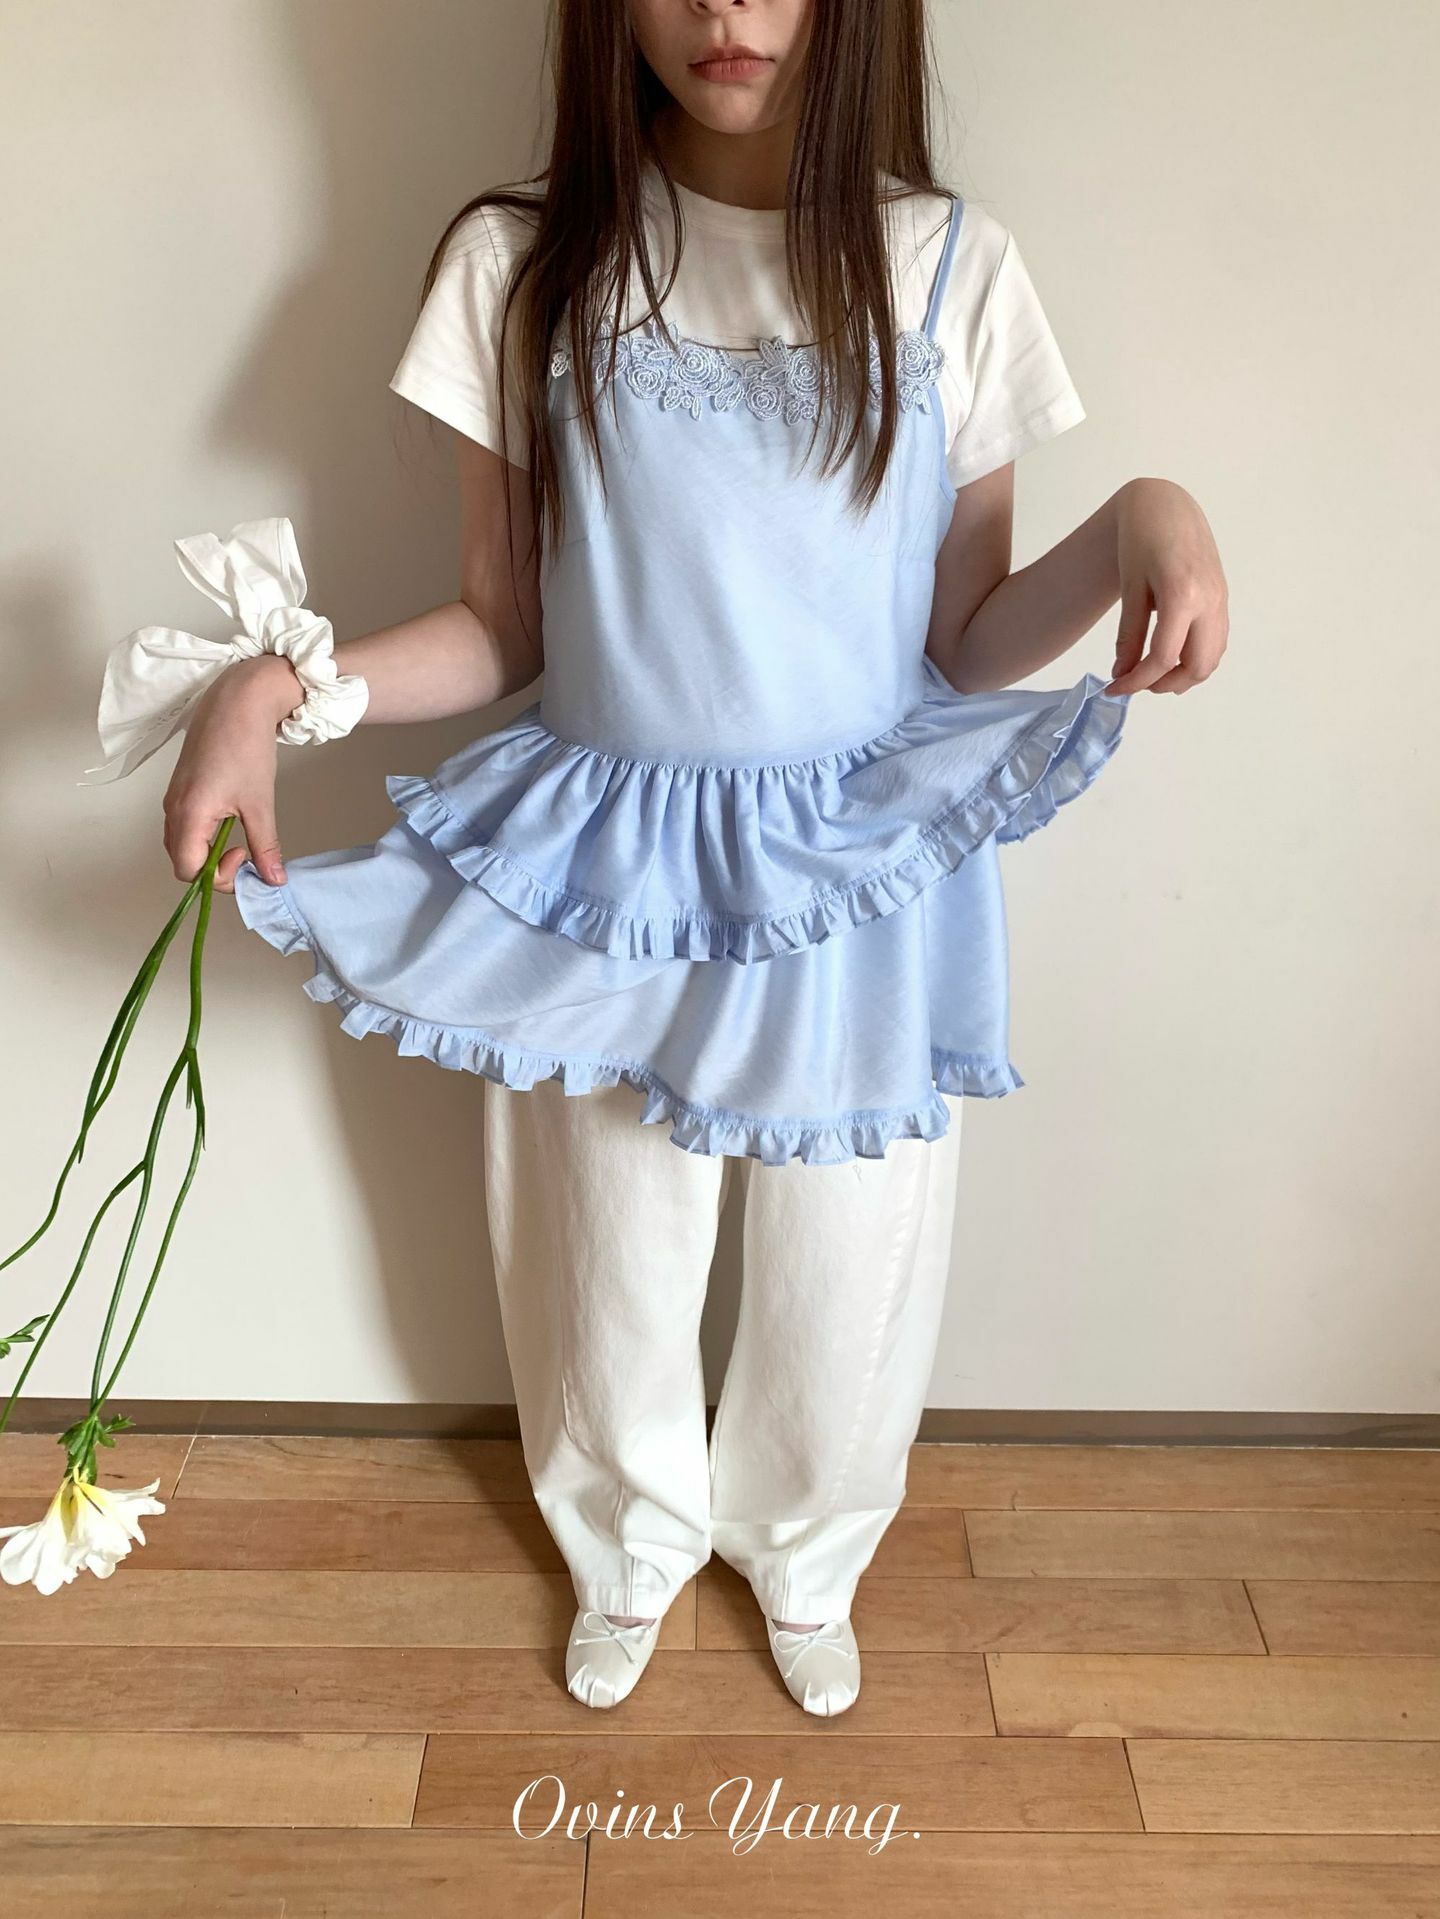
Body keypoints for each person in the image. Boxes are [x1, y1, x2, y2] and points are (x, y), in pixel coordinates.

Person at [162, 0, 1228, 1717]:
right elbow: (505, 622)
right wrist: (279, 689)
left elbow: (962, 641)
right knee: (601, 1248)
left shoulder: (947, 266)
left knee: (848, 1259)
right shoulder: (525, 268)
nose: (725, 11)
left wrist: (1136, 525)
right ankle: (626, 1546)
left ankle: (809, 1549)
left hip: (852, 867)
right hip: (606, 861)